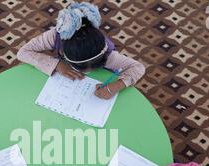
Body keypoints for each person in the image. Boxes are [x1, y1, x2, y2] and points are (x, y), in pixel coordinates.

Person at [17, 2, 145, 100]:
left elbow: (138, 67)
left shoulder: (109, 56)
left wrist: (116, 86)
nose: (88, 72)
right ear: (63, 52)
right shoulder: (54, 36)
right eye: (81, 68)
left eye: (94, 67)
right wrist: (57, 64)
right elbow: (23, 52)